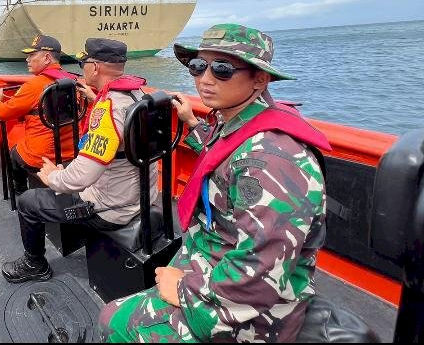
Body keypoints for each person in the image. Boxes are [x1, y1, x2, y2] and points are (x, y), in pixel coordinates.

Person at [99, 24, 330, 343]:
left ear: (259, 79)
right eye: (198, 66)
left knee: (112, 321)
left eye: (222, 69)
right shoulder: (238, 123)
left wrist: (181, 288)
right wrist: (192, 125)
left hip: (251, 315)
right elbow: (221, 151)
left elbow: (258, 277)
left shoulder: (270, 160)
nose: (205, 79)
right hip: (212, 263)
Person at [0, 38, 152, 284]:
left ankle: (34, 264)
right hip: (138, 195)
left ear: (95, 67)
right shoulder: (137, 95)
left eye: (83, 63)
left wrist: (53, 178)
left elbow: (82, 177)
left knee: (28, 201)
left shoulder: (108, 110)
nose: (82, 69)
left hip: (110, 209)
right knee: (68, 170)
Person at [0, 35, 78, 195]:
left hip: (41, 156)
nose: (27, 59)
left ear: (47, 57)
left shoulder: (33, 86)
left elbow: (1, 113)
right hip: (72, 152)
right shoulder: (73, 80)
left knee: (13, 152)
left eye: (31, 55)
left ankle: (19, 193)